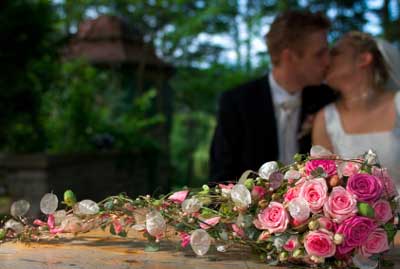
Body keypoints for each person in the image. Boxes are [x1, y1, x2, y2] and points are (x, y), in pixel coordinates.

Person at [209, 10, 336, 183]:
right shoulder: (237, 103)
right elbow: (221, 178)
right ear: (289, 57)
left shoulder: (327, 98)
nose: (328, 61)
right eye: (319, 54)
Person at [312, 31, 400, 188]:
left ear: (363, 59)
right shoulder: (326, 119)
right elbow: (323, 184)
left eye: (335, 53)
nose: (326, 61)